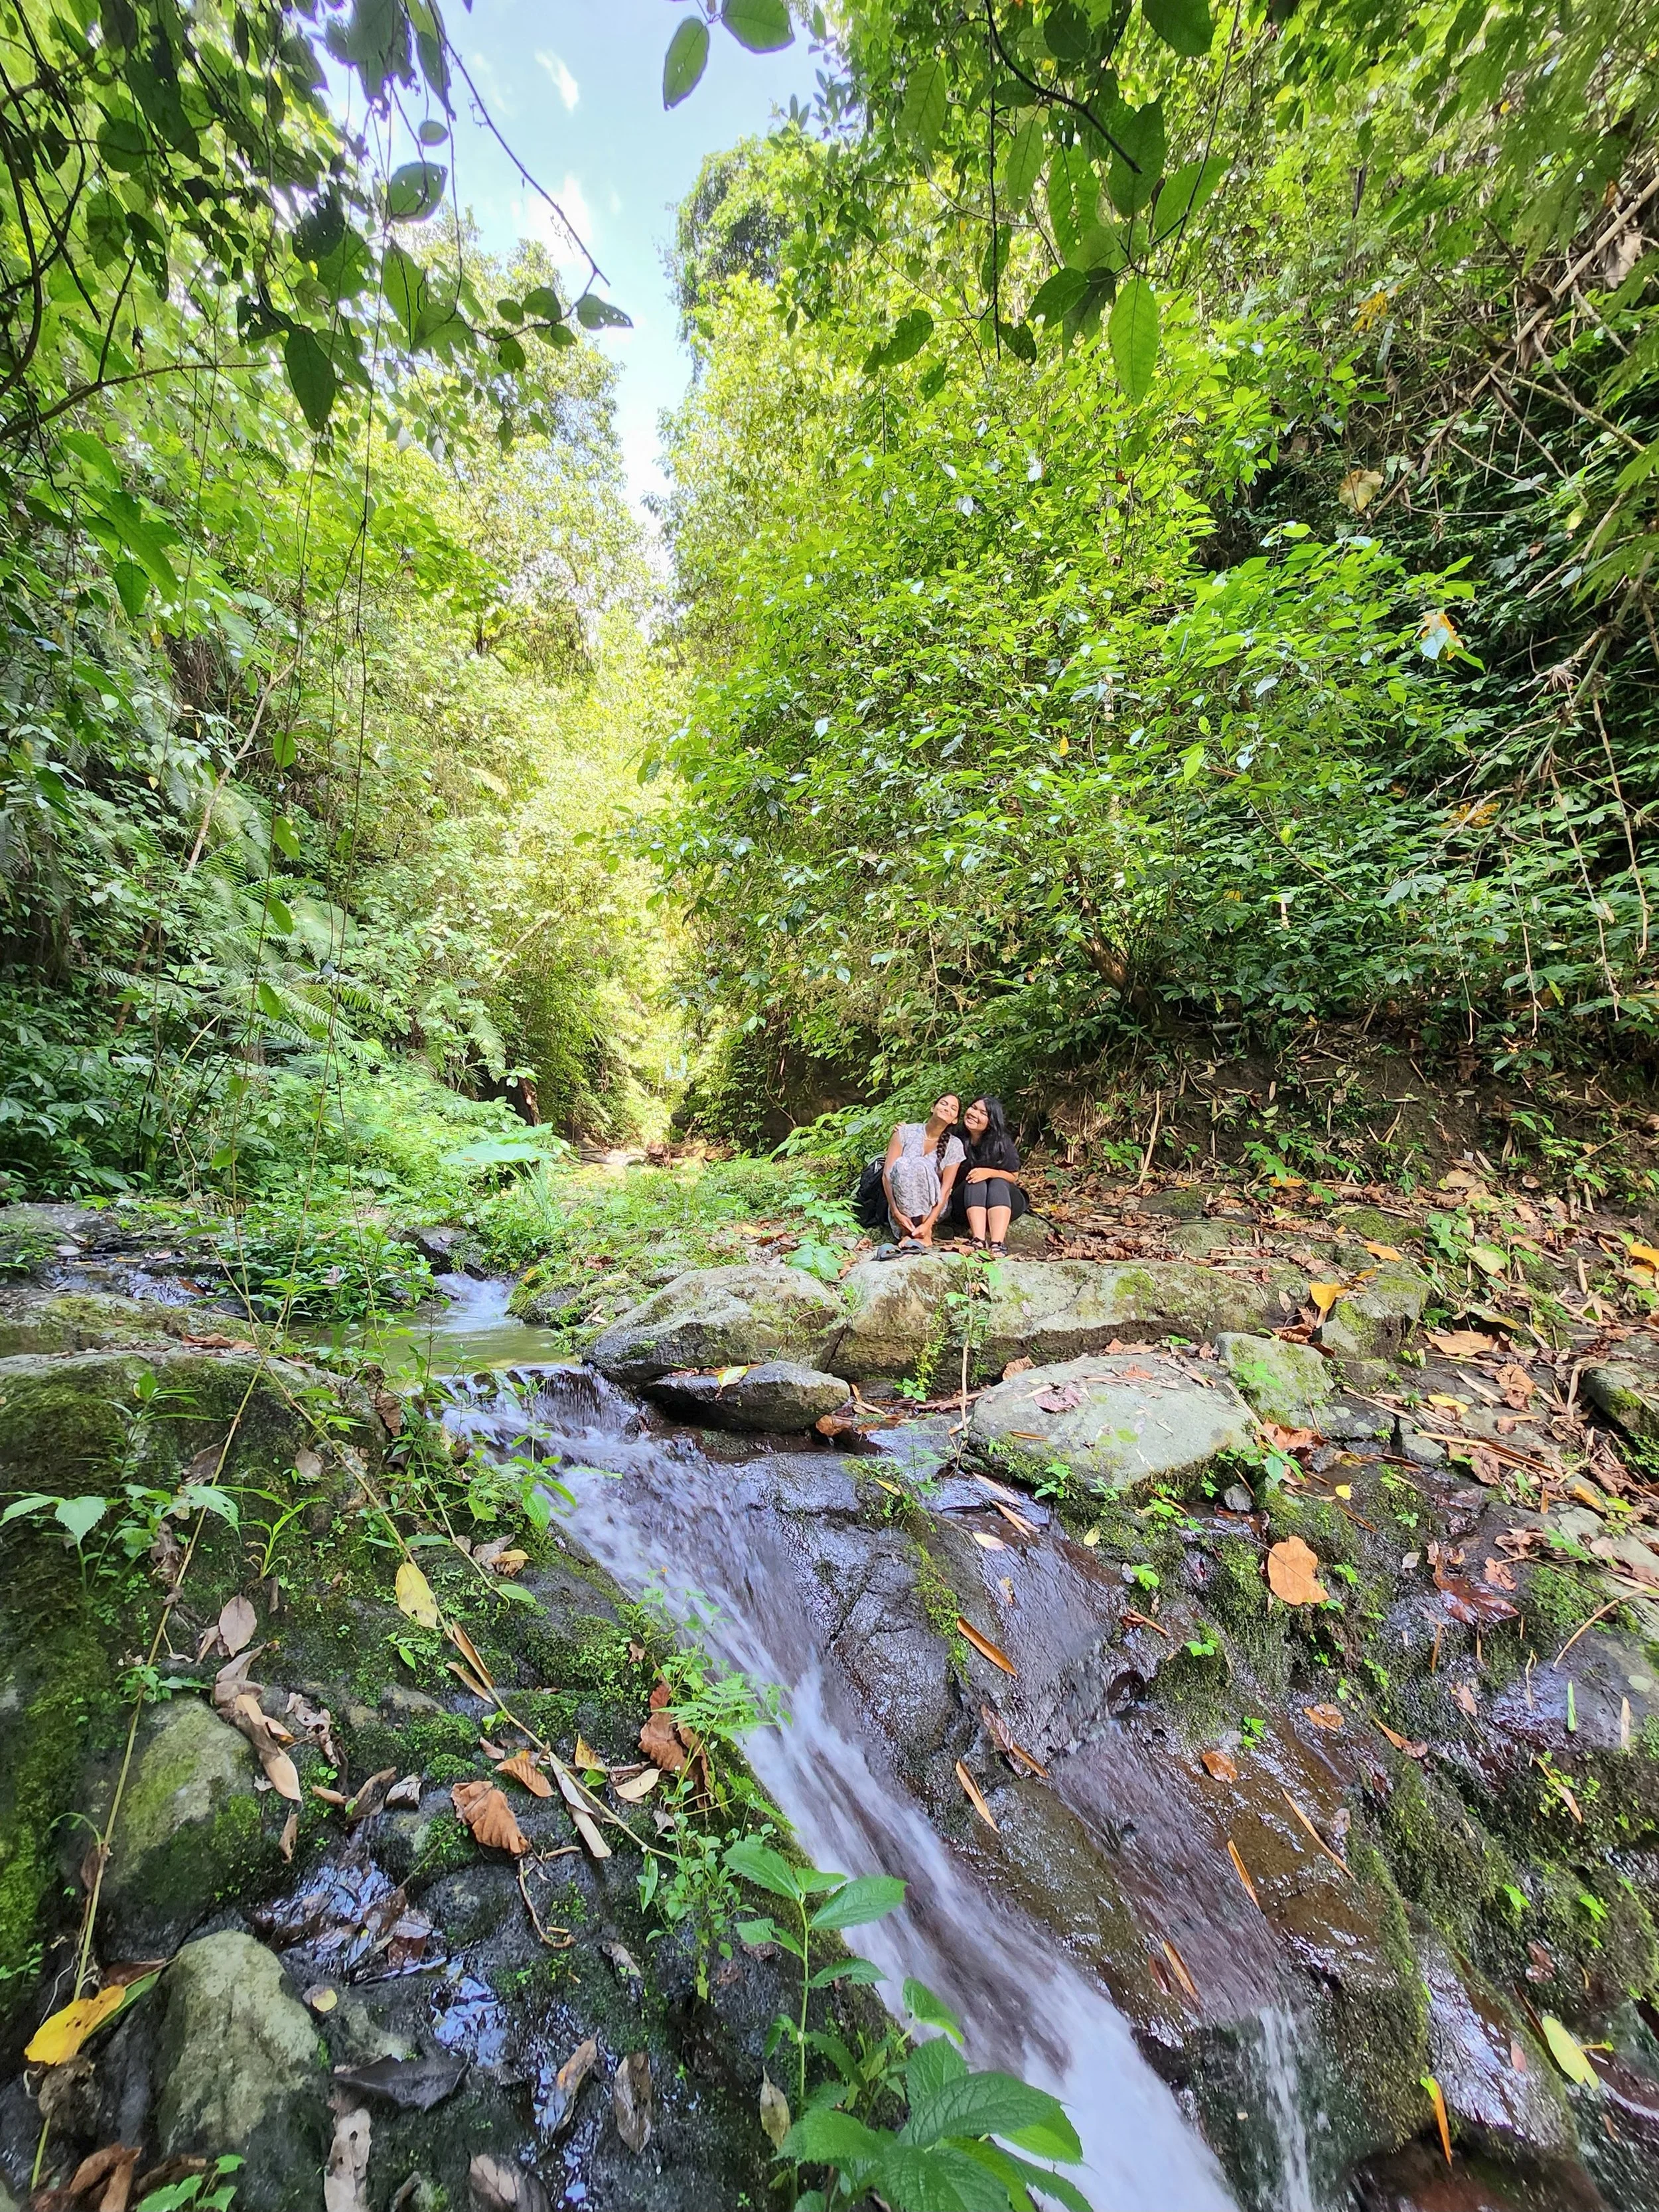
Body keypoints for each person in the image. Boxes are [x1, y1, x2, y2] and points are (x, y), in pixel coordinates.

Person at [881, 1093, 964, 1247]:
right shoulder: (905, 1133)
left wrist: (928, 1225)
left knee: (921, 1165)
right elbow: (887, 1175)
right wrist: (895, 1212)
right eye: (944, 1103)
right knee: (903, 1164)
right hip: (901, 1206)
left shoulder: (955, 1145)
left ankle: (925, 1235)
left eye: (953, 1108)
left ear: (955, 1119)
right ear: (933, 1107)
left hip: (933, 1209)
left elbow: (946, 1189)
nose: (947, 1109)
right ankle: (906, 1232)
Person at [958, 1095, 1027, 1254]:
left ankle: (998, 1243)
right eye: (973, 1108)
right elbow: (932, 1134)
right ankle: (978, 1240)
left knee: (998, 1180)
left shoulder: (1001, 1142)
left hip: (1000, 1200)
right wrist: (904, 1130)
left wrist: (989, 1172)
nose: (975, 1114)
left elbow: (1013, 1176)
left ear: (991, 1121)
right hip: (966, 1204)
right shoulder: (956, 1137)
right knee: (975, 1179)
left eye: (983, 1113)